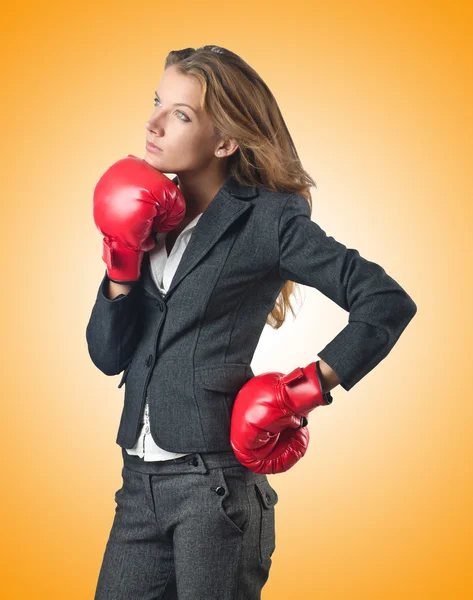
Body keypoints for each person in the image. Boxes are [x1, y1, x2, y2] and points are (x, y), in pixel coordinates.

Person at [86, 45, 417, 600]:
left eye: (181, 114)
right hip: (137, 485)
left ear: (226, 141)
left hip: (214, 488)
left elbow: (386, 301)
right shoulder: (145, 208)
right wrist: (121, 256)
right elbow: (107, 356)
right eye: (158, 102)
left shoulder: (268, 220)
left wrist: (301, 391)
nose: (154, 123)